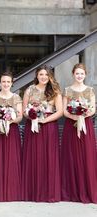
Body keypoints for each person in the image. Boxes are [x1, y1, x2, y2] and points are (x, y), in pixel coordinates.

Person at [22, 65, 63, 202]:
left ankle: (48, 192)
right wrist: (32, 116)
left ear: (50, 76)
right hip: (32, 127)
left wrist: (44, 120)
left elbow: (60, 111)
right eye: (41, 74)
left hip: (49, 127)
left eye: (46, 74)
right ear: (37, 76)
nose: (43, 77)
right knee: (33, 157)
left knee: (48, 158)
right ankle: (32, 192)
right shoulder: (29, 90)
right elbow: (24, 110)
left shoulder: (55, 91)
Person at [61, 63, 97, 203]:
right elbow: (64, 110)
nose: (79, 76)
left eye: (82, 73)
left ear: (85, 75)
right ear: (73, 74)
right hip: (71, 124)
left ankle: (87, 190)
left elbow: (93, 109)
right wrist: (74, 117)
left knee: (86, 155)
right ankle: (71, 191)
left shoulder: (89, 90)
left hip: (85, 124)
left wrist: (84, 114)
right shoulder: (68, 90)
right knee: (71, 155)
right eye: (77, 73)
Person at [0, 72, 23, 201]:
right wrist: (0, 119)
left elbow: (19, 116)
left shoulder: (16, 97)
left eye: (8, 82)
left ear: (12, 83)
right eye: (3, 82)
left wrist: (10, 120)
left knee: (11, 159)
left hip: (12, 131)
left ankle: (11, 191)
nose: (6, 84)